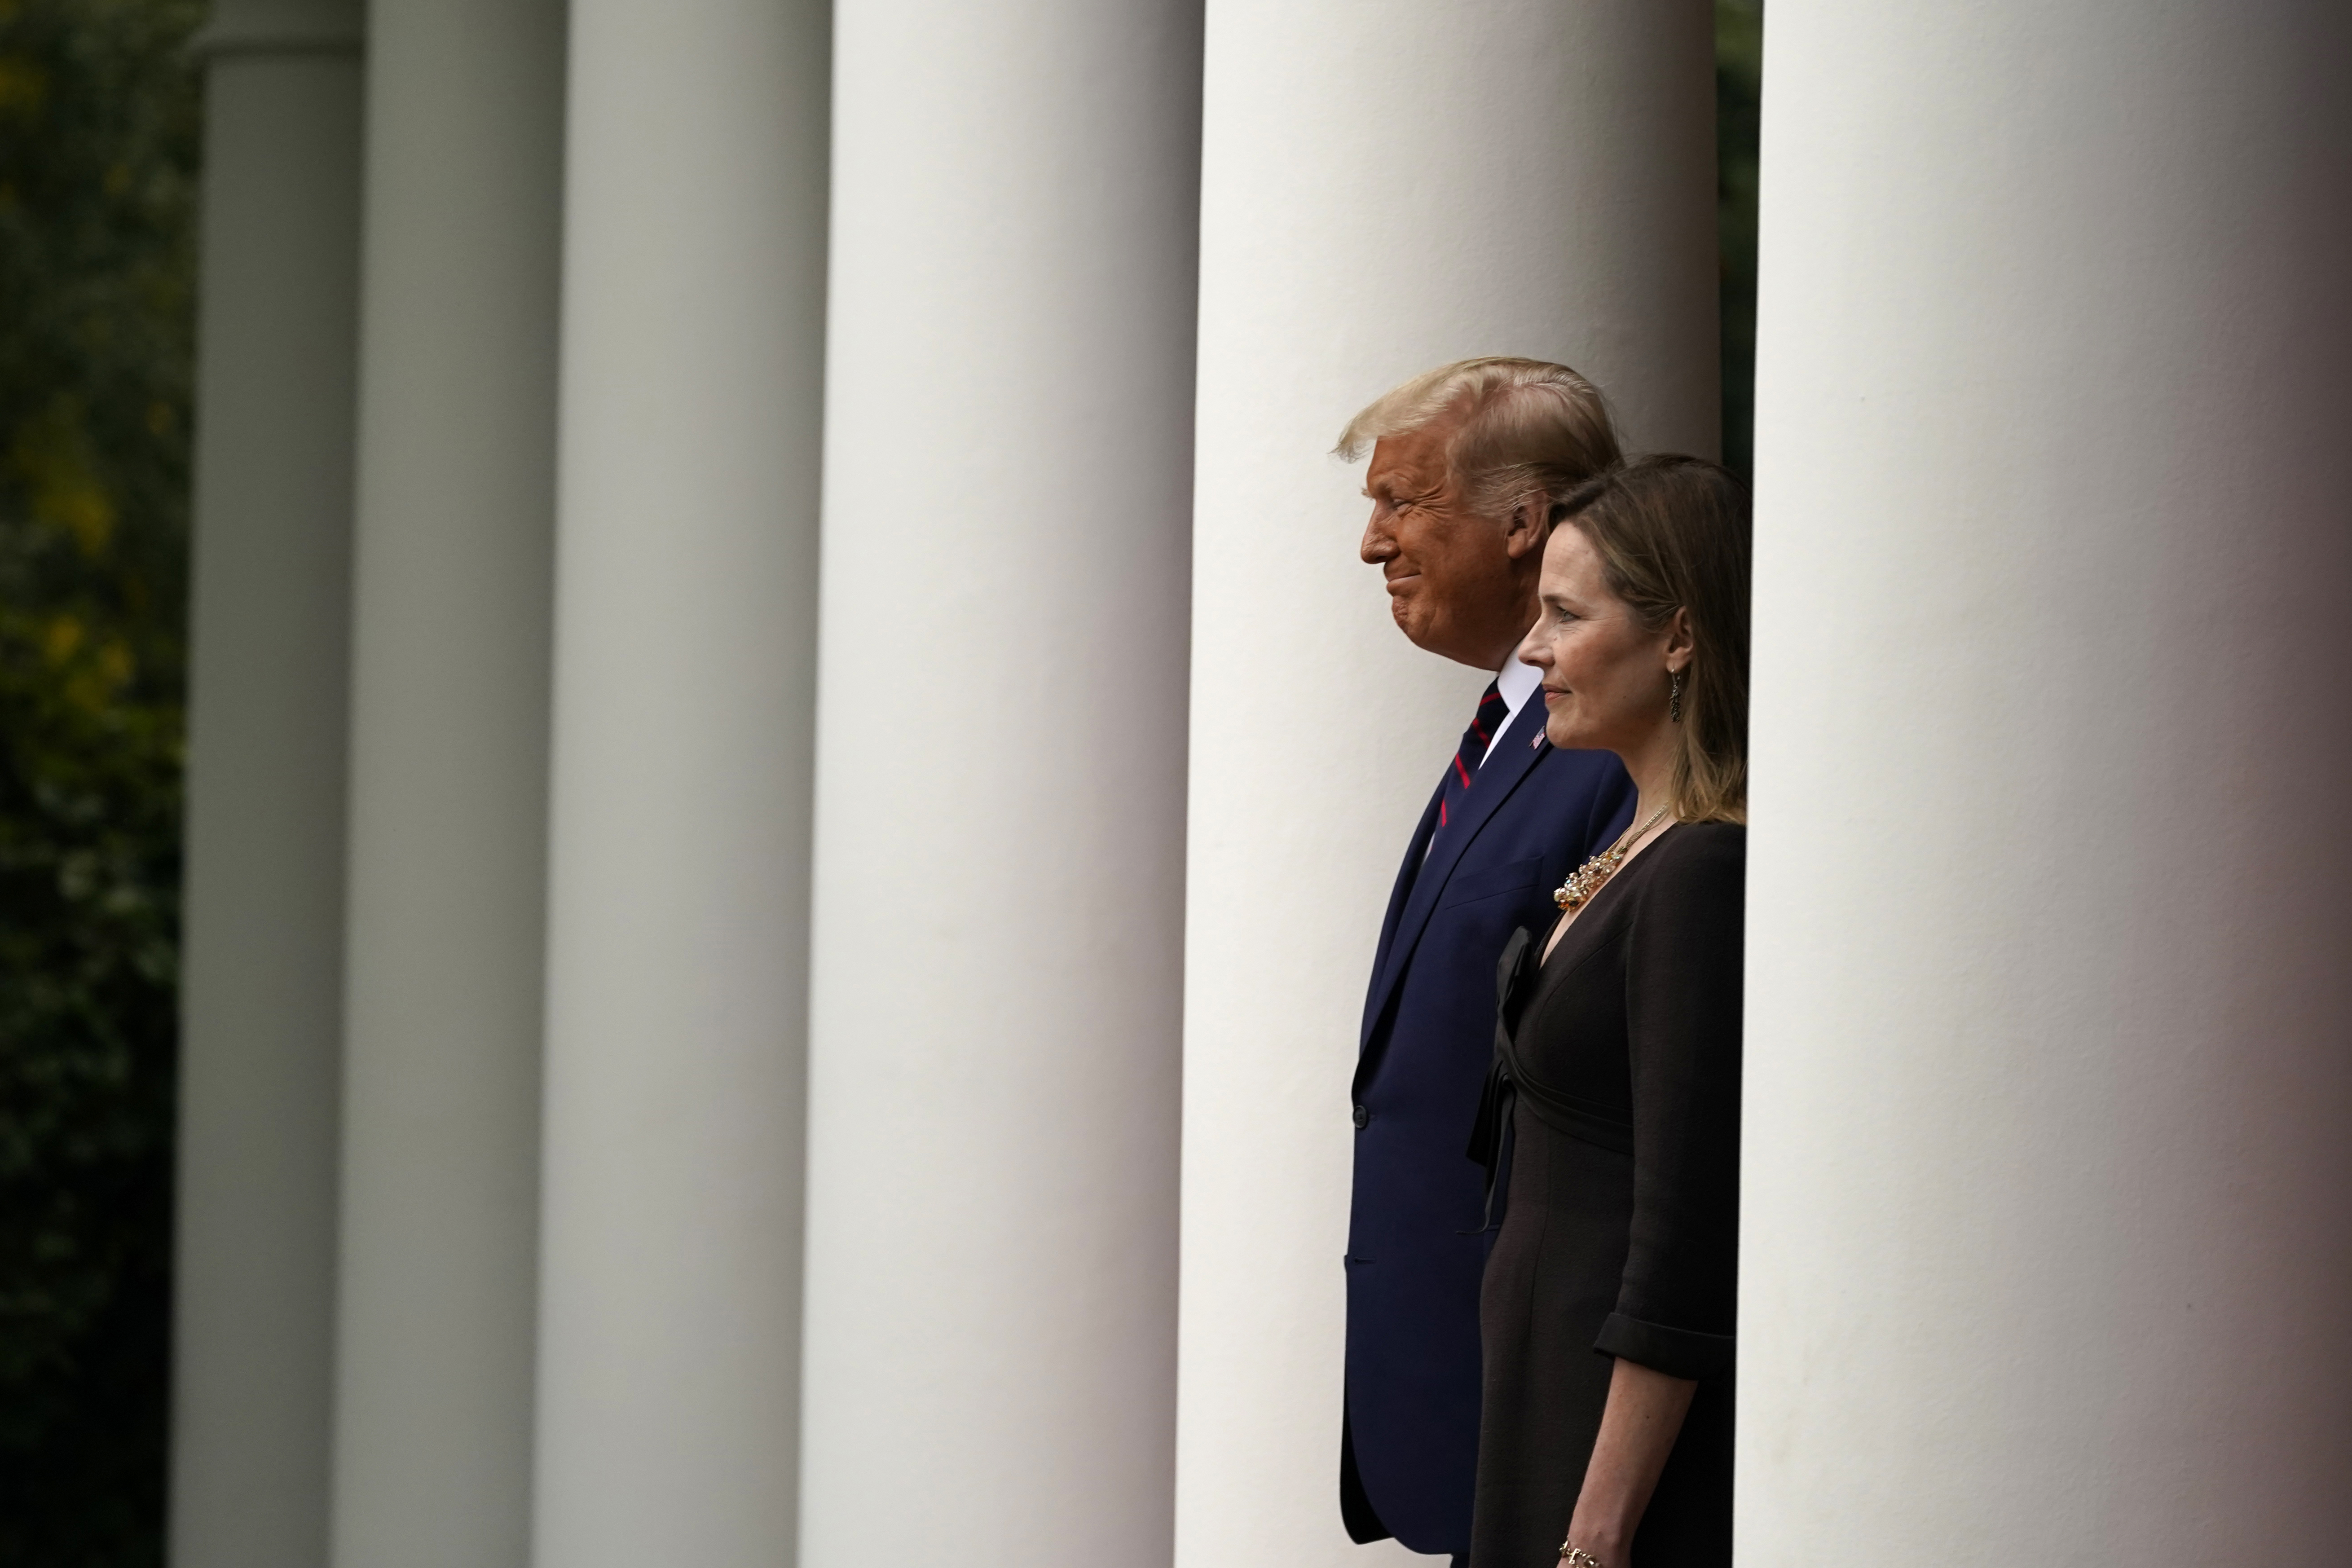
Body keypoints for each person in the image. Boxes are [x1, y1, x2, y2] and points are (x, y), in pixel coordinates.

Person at [1334, 359, 1638, 1562]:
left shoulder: (1606, 744)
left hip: (1532, 1382)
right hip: (1452, 1368)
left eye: (1401, 503)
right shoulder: (1514, 725)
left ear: (1521, 523)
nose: (1373, 544)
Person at [1467, 455, 1750, 1568]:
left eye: (1565, 615)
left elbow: (1681, 1231)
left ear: (1678, 636)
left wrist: (1598, 1530)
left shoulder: (1699, 875)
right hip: (1543, 1396)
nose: (1531, 652)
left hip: (1606, 1459)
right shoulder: (1628, 850)